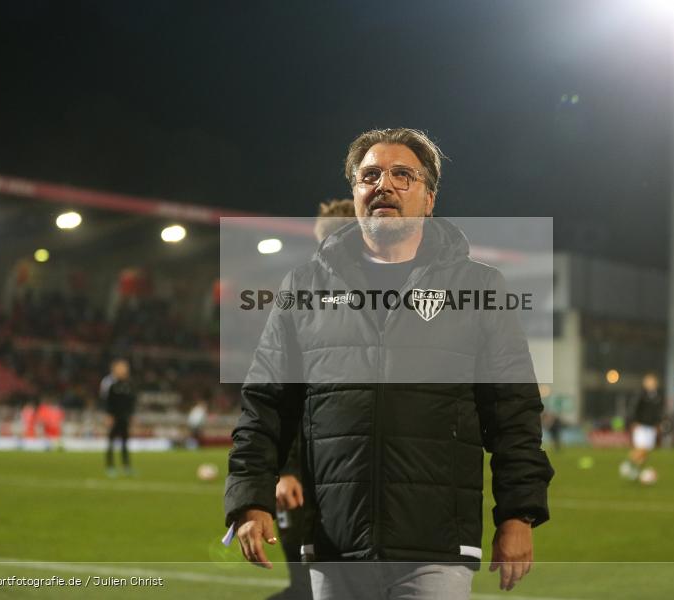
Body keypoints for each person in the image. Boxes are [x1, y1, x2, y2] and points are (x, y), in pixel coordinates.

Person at [225, 128, 554, 599]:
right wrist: (250, 499)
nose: (385, 185)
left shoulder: (479, 288)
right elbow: (265, 406)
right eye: (370, 175)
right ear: (355, 193)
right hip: (335, 545)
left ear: (429, 199)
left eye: (403, 175)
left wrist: (518, 515)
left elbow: (513, 413)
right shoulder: (303, 287)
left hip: (436, 547)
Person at [267, 198, 356, 600]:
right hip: (302, 482)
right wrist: (284, 469)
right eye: (326, 240)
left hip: (352, 485)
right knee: (307, 590)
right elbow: (275, 396)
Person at [621, 372, 664, 481]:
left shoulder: (658, 396)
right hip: (641, 425)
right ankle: (626, 465)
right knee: (641, 449)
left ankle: (635, 471)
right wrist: (634, 421)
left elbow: (658, 413)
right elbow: (634, 409)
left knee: (645, 453)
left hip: (651, 427)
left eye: (653, 381)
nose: (651, 383)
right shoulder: (641, 395)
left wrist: (658, 424)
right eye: (649, 381)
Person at [100, 358, 137, 477]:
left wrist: (132, 415)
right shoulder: (111, 385)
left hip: (125, 417)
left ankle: (126, 466)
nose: (124, 370)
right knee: (111, 441)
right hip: (114, 417)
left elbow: (132, 402)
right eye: (121, 368)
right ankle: (110, 466)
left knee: (125, 442)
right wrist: (108, 415)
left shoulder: (129, 385)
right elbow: (107, 402)